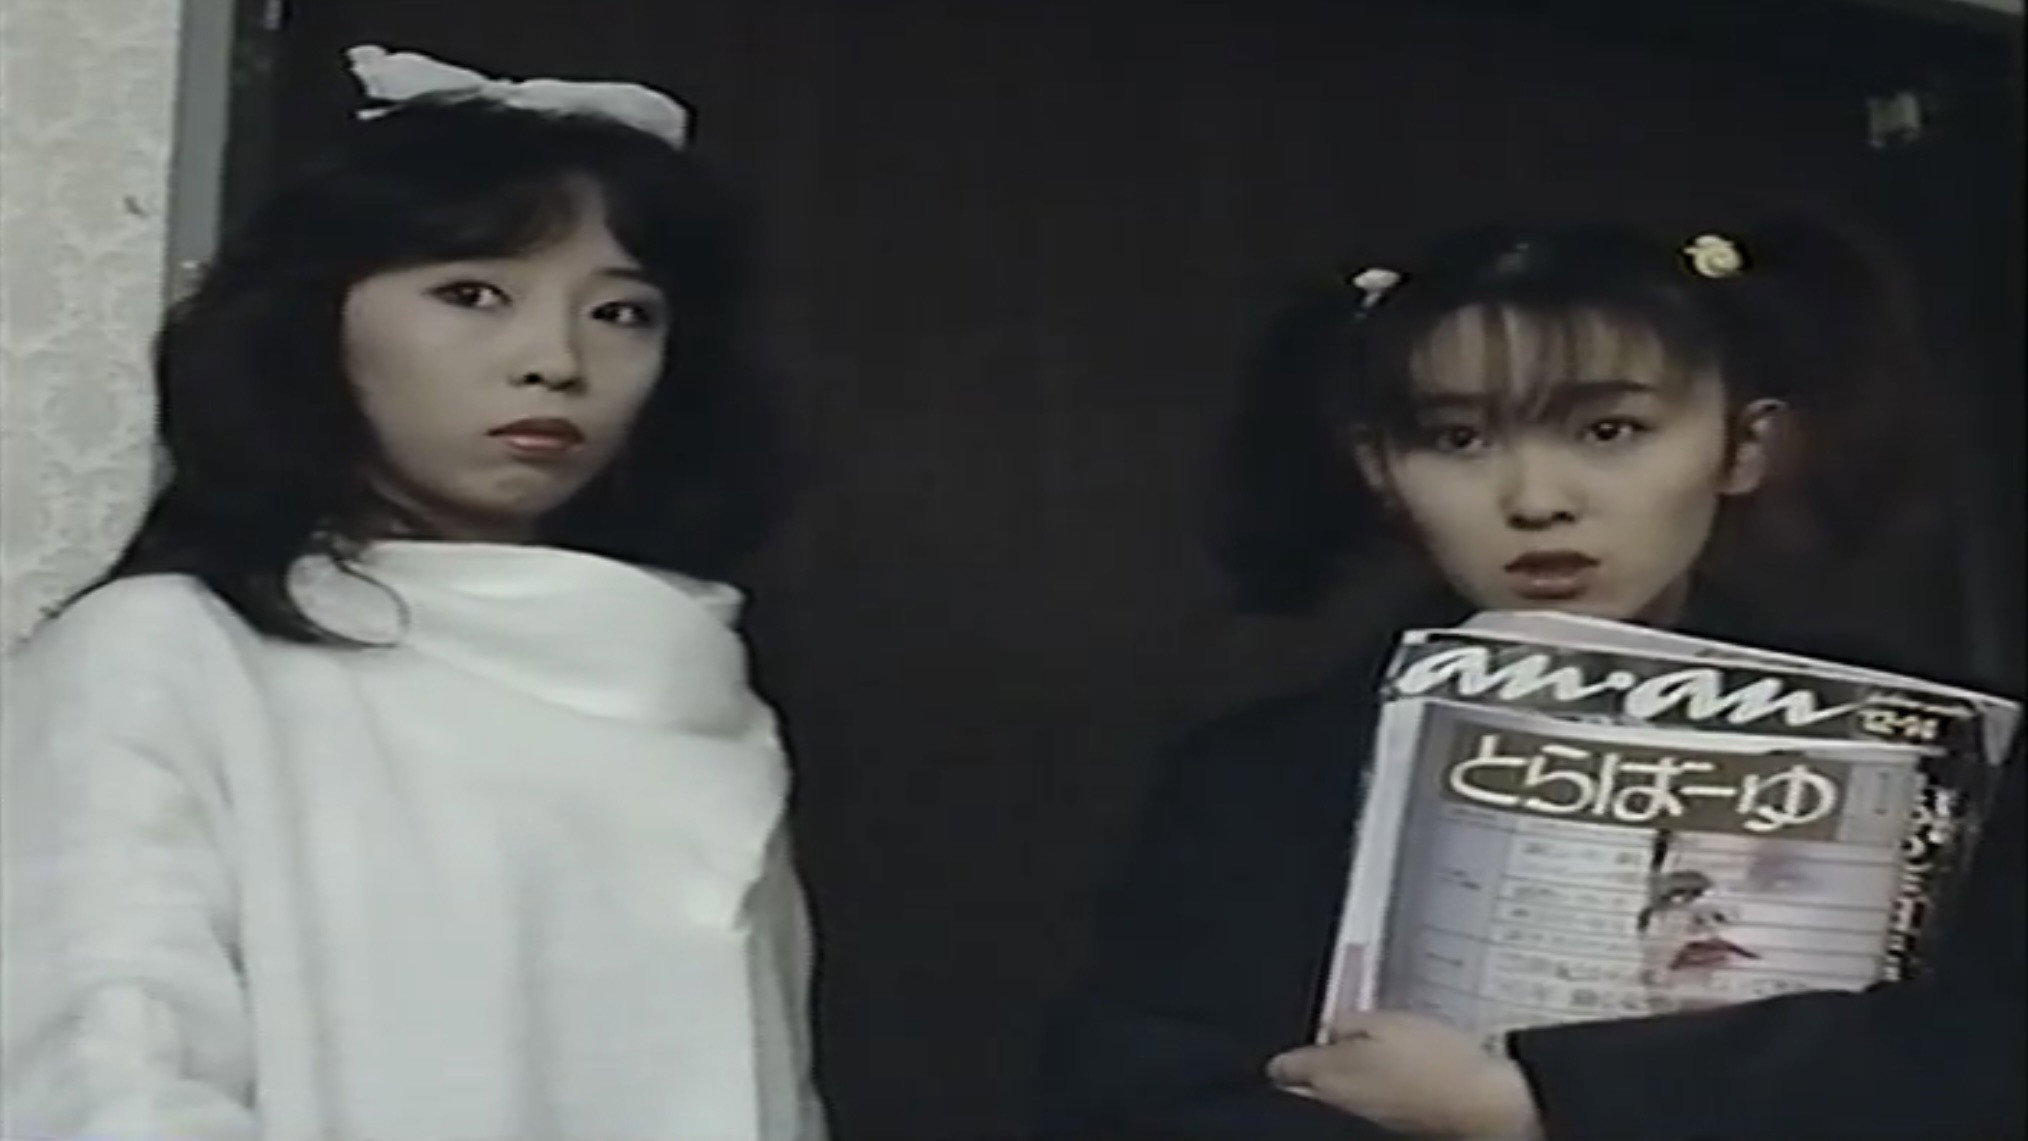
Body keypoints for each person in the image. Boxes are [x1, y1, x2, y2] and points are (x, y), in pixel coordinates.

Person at [1036, 221, 2023, 1139]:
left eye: (1610, 430)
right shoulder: (1253, 779)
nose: (1537, 499)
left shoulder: (1921, 750)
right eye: (1458, 439)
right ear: (1379, 467)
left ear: (1743, 445)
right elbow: (1135, 1097)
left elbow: (1982, 1057)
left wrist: (1532, 1105)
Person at [0, 46, 825, 1140]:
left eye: (623, 313)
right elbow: (111, 1073)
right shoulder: (166, 651)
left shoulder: (686, 667)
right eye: (473, 294)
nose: (555, 360)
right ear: (316, 321)